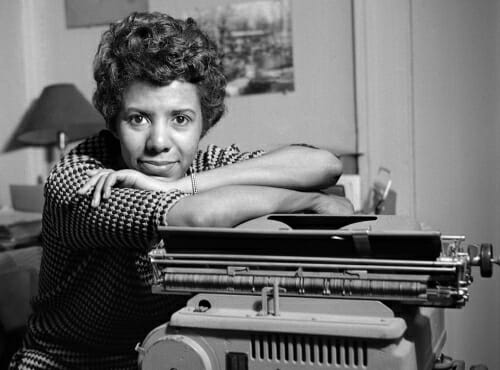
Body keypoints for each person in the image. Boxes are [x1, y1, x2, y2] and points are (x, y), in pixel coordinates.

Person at [9, 11, 353, 370]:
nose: (159, 142)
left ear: (204, 121)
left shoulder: (200, 167)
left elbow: (325, 165)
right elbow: (199, 216)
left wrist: (184, 184)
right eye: (138, 118)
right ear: (113, 120)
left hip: (157, 357)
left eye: (180, 119)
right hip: (60, 363)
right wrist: (311, 201)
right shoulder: (79, 179)